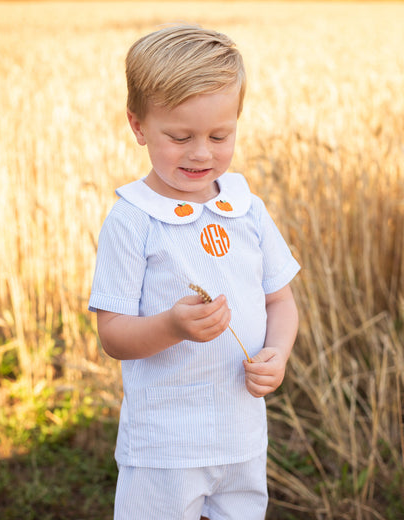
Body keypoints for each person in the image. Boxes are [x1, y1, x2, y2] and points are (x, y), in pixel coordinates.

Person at [89, 24, 300, 520]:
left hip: (242, 439)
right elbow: (113, 334)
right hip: (165, 447)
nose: (202, 152)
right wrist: (171, 326)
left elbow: (280, 300)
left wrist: (278, 353)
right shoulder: (132, 218)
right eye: (180, 137)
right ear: (138, 126)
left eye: (220, 135)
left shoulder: (247, 208)